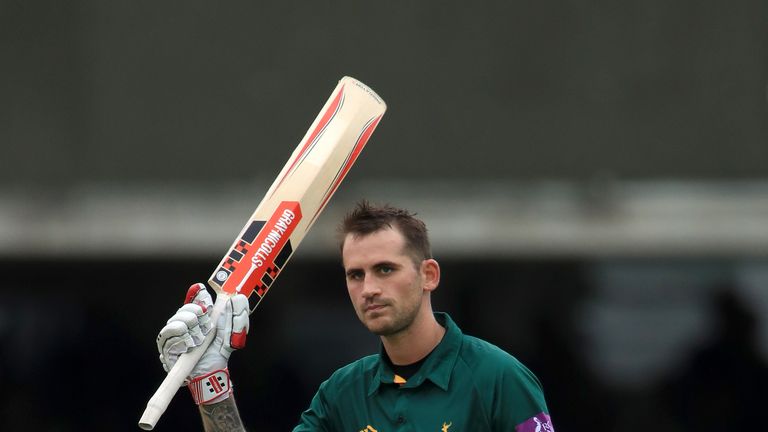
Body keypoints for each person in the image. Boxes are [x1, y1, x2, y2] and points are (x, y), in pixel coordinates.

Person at [158, 201, 555, 431]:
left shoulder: (500, 378)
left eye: (385, 269)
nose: (369, 289)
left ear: (429, 275)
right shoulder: (341, 394)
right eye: (356, 275)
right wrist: (212, 385)